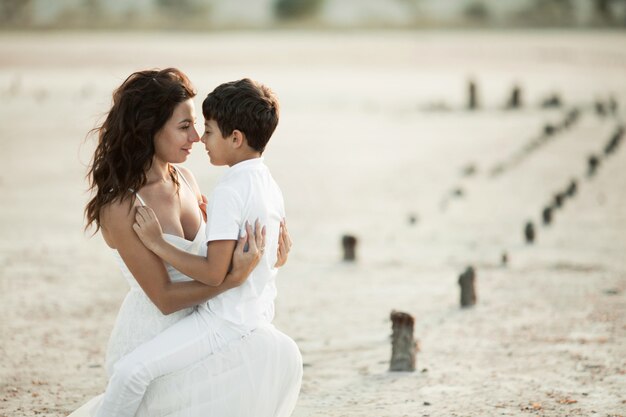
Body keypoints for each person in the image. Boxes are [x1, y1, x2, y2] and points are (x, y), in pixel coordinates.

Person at [71, 69, 301, 417]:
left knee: (278, 353)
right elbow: (165, 298)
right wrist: (232, 281)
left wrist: (269, 258)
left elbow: (222, 254)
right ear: (149, 129)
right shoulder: (121, 207)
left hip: (205, 330)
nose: (196, 136)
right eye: (184, 127)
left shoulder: (187, 180)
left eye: (198, 126)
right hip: (157, 335)